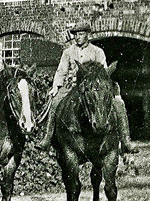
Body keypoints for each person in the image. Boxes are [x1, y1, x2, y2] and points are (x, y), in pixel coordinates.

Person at [35, 22, 134, 153]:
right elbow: (61, 71)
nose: (77, 37)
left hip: (93, 87)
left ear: (87, 35)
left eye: (80, 34)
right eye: (75, 35)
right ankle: (47, 138)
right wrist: (55, 87)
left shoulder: (97, 52)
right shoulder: (68, 52)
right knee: (55, 101)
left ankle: (126, 141)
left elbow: (104, 73)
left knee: (118, 103)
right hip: (72, 85)